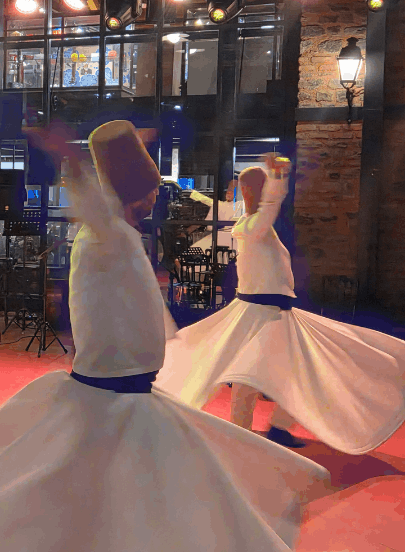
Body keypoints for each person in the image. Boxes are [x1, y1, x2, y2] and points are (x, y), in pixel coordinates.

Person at [0, 121, 329, 552]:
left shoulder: (115, 233)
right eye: (152, 190)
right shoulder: (108, 235)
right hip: (111, 399)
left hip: (129, 393)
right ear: (132, 194)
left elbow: (104, 204)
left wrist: (122, 156)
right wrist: (72, 159)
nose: (158, 196)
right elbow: (96, 202)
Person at [157, 154, 405, 454]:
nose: (248, 194)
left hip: (274, 313)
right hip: (261, 313)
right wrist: (277, 177)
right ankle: (243, 434)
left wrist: (276, 178)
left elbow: (270, 209)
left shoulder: (255, 227)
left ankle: (269, 429)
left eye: (251, 189)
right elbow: (271, 207)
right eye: (248, 189)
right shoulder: (251, 227)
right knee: (250, 375)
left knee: (289, 372)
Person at [188, 179, 242, 251]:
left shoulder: (241, 205)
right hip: (220, 237)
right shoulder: (220, 205)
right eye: (228, 189)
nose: (229, 192)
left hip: (230, 239)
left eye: (232, 190)